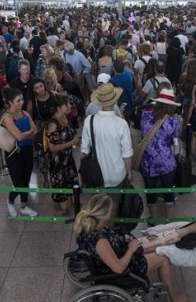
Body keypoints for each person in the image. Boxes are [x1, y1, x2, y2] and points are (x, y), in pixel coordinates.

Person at [75, 194, 196, 302]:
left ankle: (187, 230)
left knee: (155, 243)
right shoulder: (100, 241)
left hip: (120, 253)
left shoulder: (90, 226)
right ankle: (170, 299)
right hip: (123, 270)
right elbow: (118, 268)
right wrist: (131, 249)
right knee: (163, 259)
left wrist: (121, 240)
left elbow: (108, 244)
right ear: (105, 213)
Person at [82, 83, 133, 213]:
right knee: (114, 203)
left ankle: (99, 228)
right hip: (117, 174)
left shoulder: (89, 121)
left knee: (98, 205)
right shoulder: (121, 124)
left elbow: (85, 151)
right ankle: (110, 228)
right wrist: (129, 172)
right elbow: (127, 154)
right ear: (115, 100)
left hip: (96, 173)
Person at [139, 88, 180, 220]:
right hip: (167, 162)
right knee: (168, 191)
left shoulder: (145, 115)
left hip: (148, 162)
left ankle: (154, 220)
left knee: (150, 193)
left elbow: (142, 133)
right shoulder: (173, 121)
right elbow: (175, 139)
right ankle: (169, 219)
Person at [0, 87, 39, 217]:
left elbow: (35, 130)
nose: (21, 102)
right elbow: (19, 136)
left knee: (26, 178)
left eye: (22, 99)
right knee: (18, 182)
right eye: (18, 101)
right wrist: (29, 133)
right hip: (13, 153)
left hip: (27, 150)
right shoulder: (7, 117)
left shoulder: (25, 113)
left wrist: (26, 133)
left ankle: (24, 205)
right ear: (10, 102)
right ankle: (10, 201)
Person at [45, 94, 81, 215]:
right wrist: (72, 142)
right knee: (58, 182)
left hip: (67, 157)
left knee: (70, 179)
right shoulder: (53, 124)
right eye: (66, 104)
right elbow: (53, 148)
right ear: (58, 107)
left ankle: (70, 202)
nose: (69, 106)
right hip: (57, 160)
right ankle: (57, 206)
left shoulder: (65, 118)